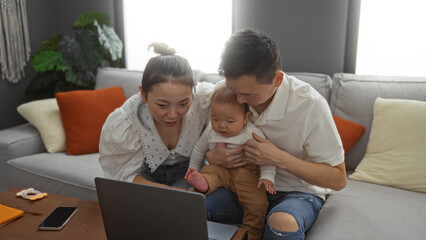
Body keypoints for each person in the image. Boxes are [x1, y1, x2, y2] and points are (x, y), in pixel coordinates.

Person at [205, 29, 347, 240]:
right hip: (243, 187)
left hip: (296, 193)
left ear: (277, 79)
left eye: (248, 95)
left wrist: (279, 158)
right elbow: (206, 140)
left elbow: (338, 179)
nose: (239, 100)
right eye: (234, 90)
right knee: (188, 206)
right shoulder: (226, 93)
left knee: (282, 222)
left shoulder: (309, 105)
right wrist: (212, 157)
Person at [99, 43, 213, 190]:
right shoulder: (127, 120)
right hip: (145, 178)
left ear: (192, 93)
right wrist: (172, 192)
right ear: (143, 94)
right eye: (162, 105)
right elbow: (122, 175)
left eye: (183, 103)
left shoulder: (203, 100)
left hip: (191, 173)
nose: (173, 115)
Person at [185, 84, 276, 240]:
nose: (222, 125)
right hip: (219, 169)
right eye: (215, 119)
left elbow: (266, 156)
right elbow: (199, 150)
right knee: (210, 173)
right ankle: (202, 183)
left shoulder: (252, 132)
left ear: (245, 118)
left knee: (258, 204)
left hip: (248, 173)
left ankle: (251, 232)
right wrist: (193, 170)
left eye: (230, 121)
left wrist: (267, 177)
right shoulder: (210, 131)